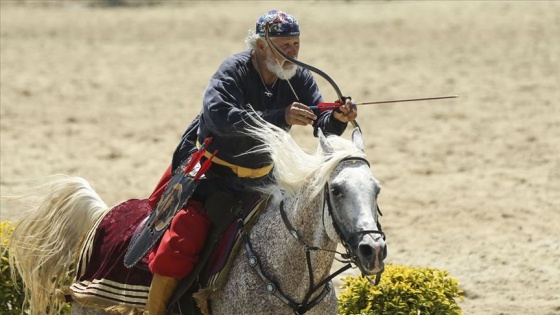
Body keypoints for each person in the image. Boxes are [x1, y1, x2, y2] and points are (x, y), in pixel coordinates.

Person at [143, 9, 358, 314]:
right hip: (212, 178)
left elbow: (320, 123)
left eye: (295, 44)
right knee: (180, 243)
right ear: (260, 45)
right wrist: (280, 116)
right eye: (284, 46)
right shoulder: (234, 70)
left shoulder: (297, 76)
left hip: (265, 179)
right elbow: (218, 116)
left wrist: (336, 117)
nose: (293, 53)